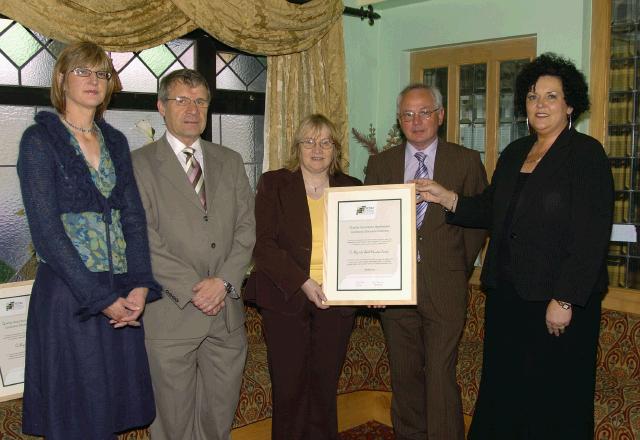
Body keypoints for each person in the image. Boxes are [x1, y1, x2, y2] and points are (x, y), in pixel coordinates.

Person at [414, 53, 614, 439]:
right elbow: (492, 207)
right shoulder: (514, 153)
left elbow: (590, 234)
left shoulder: (586, 155)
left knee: (554, 403)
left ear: (570, 104)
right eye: (533, 96)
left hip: (556, 304)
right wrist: (447, 197)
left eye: (551, 97)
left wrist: (566, 298)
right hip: (508, 298)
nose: (540, 105)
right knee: (505, 399)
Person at [17, 42, 161, 439]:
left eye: (102, 74)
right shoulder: (38, 140)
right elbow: (46, 234)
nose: (94, 81)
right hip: (69, 298)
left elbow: (133, 218)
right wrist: (100, 299)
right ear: (61, 79)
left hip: (119, 293)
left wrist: (139, 285)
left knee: (108, 414)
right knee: (78, 417)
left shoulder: (115, 141)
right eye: (82, 71)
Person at [131, 68, 255, 440]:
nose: (192, 108)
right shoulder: (138, 165)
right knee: (171, 425)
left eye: (200, 100)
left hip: (226, 316)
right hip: (171, 314)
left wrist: (224, 282)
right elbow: (142, 237)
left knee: (218, 421)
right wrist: (194, 289)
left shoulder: (230, 161)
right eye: (181, 100)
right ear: (161, 107)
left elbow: (247, 229)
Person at [364, 84, 488, 440]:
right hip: (394, 289)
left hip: (445, 285)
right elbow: (371, 223)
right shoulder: (381, 163)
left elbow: (478, 223)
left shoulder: (465, 160)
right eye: (407, 114)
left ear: (441, 116)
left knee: (439, 373)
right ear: (399, 119)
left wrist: (455, 266)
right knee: (404, 375)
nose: (416, 121)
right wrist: (374, 277)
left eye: (424, 112)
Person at [244, 114, 361, 440]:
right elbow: (262, 244)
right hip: (285, 300)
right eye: (309, 141)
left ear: (335, 149)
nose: (317, 148)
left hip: (337, 303)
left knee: (324, 388)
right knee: (289, 388)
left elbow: (364, 244)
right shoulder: (274, 183)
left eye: (325, 142)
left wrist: (375, 283)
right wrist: (304, 283)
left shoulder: (352, 188)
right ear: (297, 147)